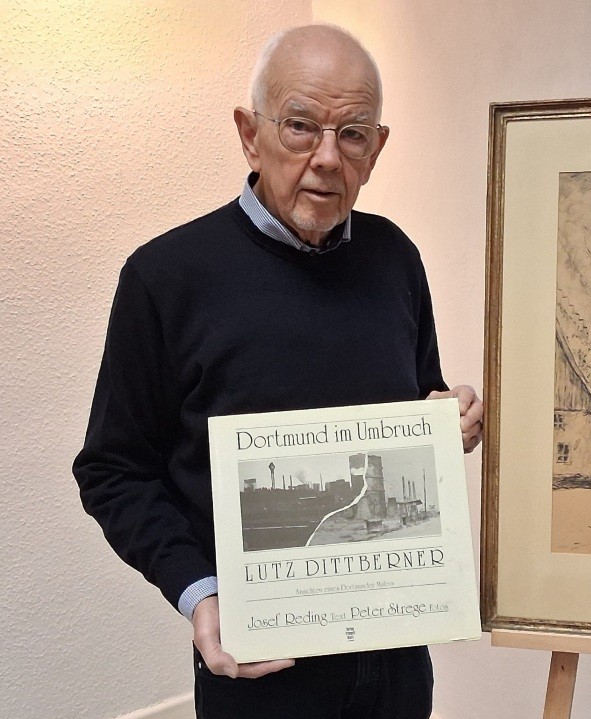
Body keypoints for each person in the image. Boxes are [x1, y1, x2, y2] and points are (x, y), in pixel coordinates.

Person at [72, 24, 483, 719]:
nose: (326, 158)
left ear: (376, 150)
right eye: (300, 126)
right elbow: (113, 469)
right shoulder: (164, 278)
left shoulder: (395, 260)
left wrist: (447, 423)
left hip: (395, 670)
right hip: (260, 676)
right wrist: (199, 593)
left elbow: (411, 404)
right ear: (248, 132)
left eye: (352, 134)